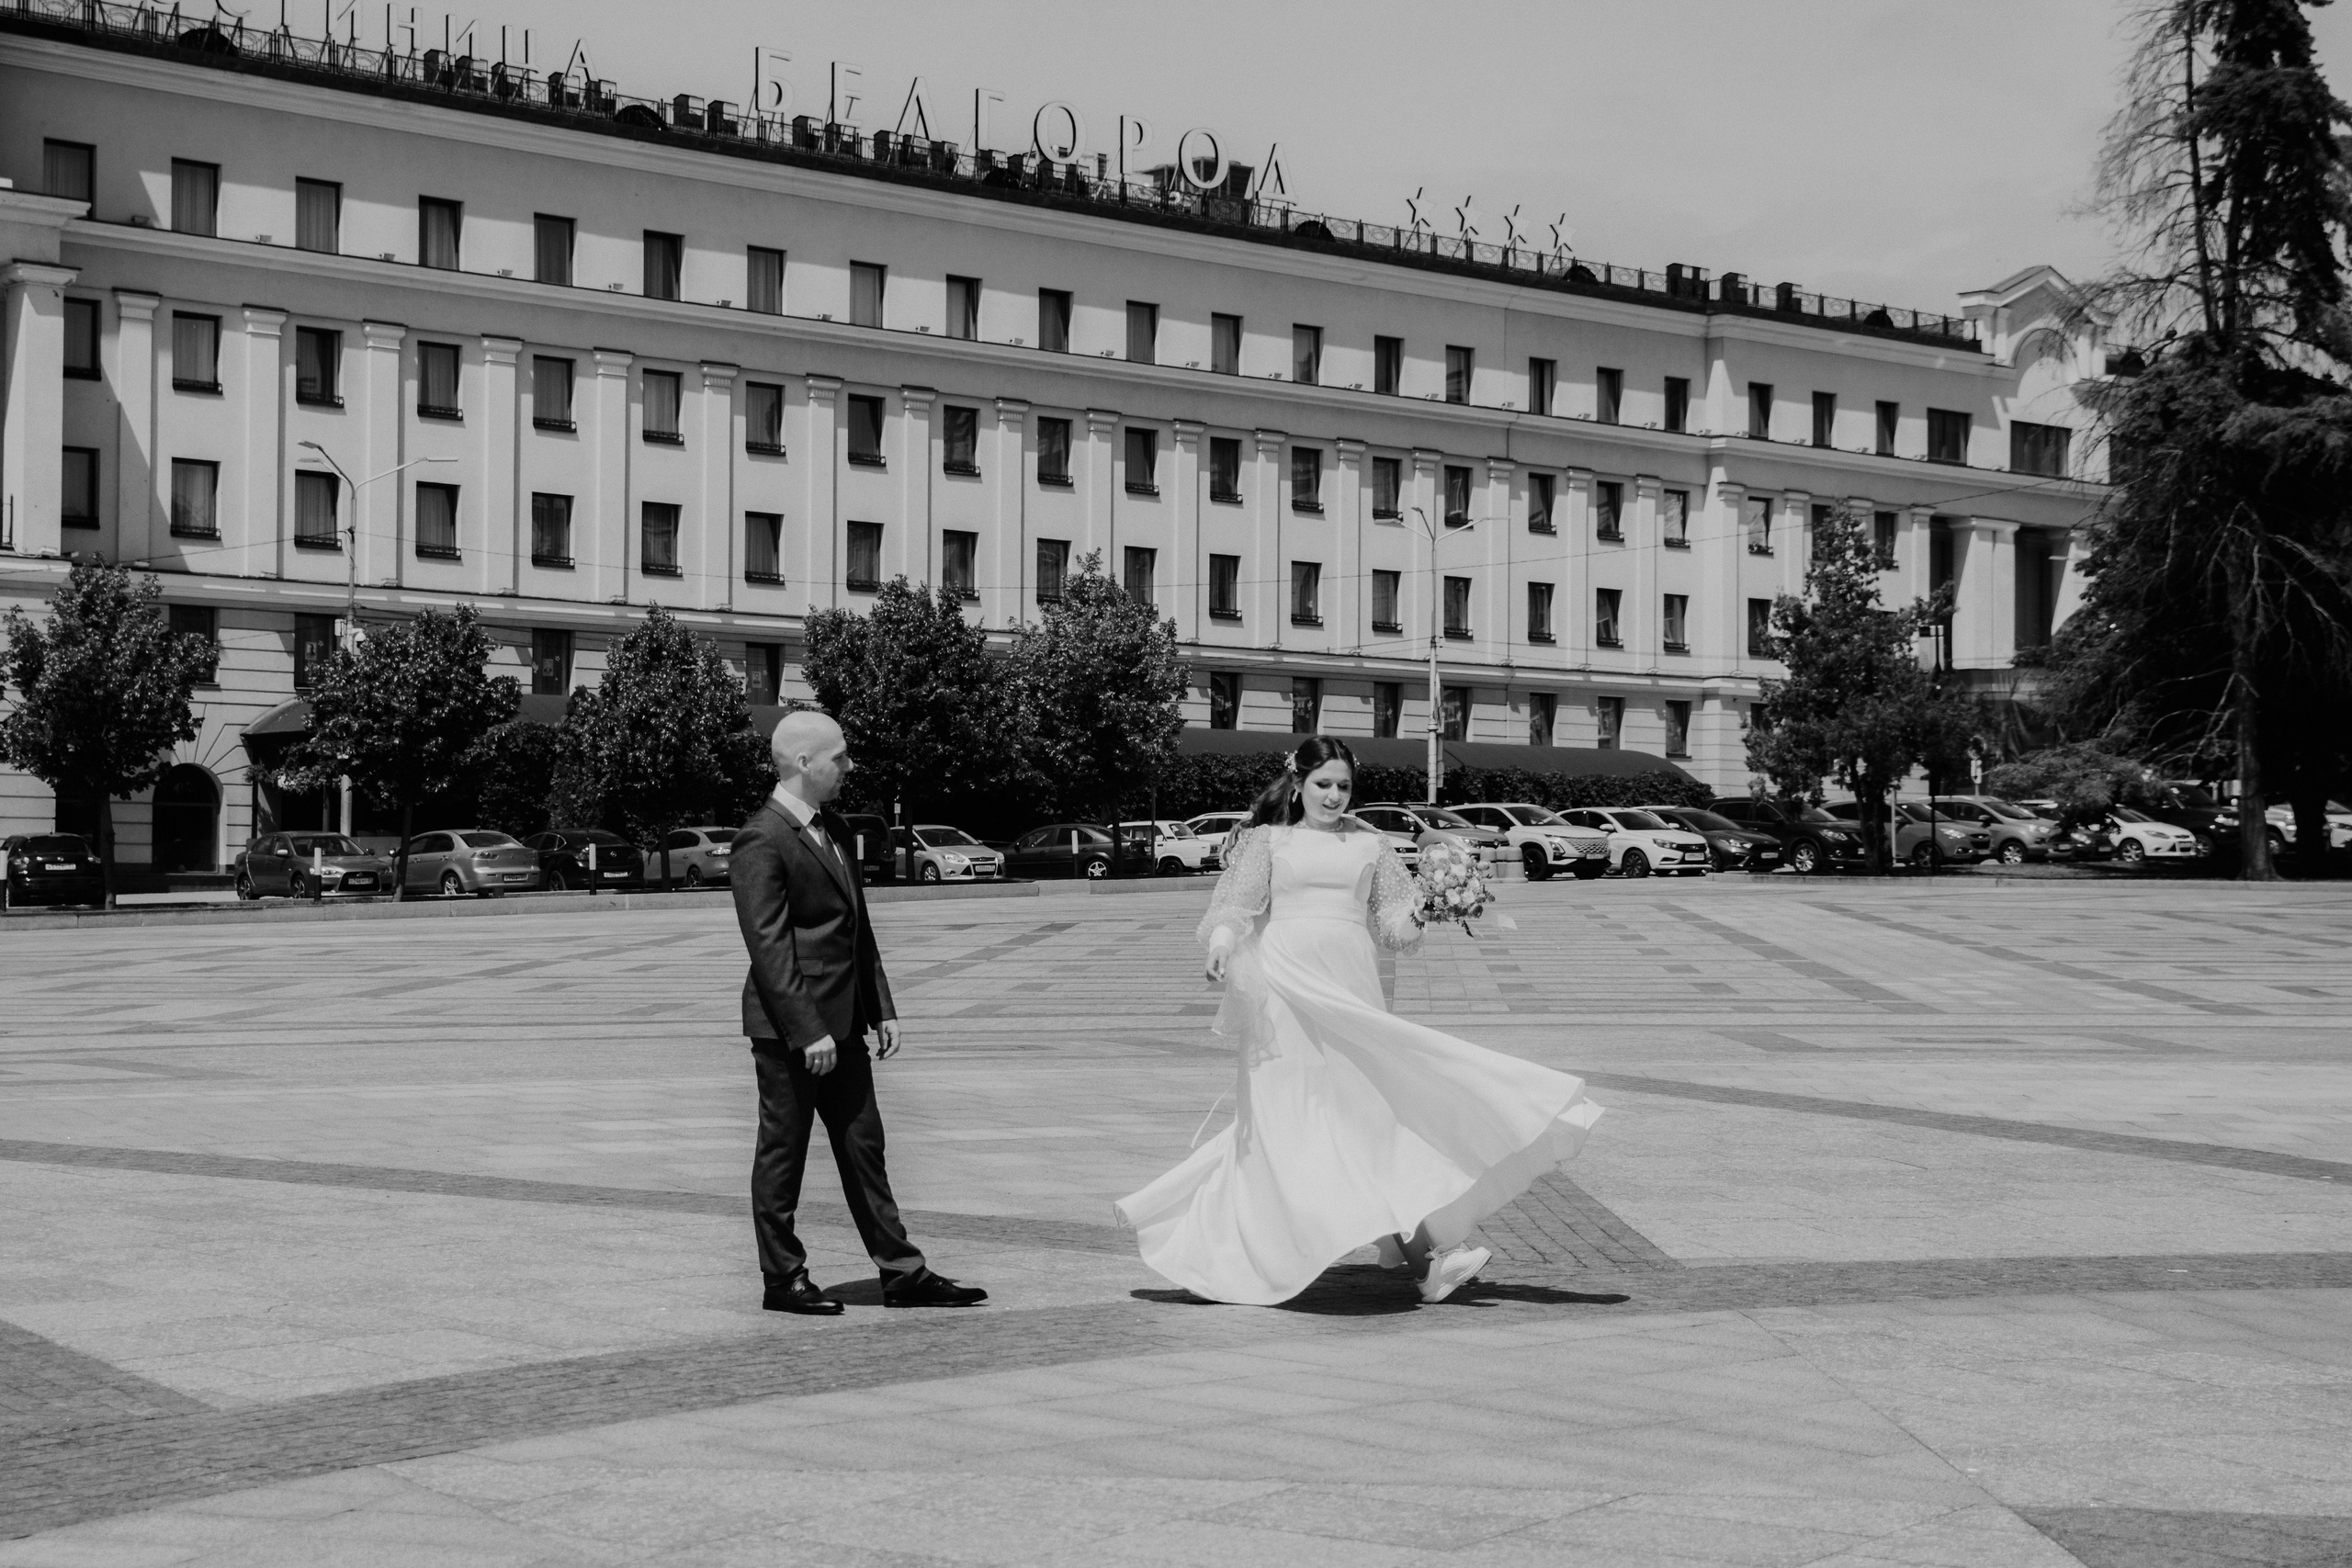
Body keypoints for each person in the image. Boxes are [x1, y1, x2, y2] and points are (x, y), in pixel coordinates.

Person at [1115, 736, 1601, 1306]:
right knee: (1291, 1126)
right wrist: (1221, 944)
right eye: (1324, 784)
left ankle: (1425, 1259)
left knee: (1367, 1120)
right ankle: (1422, 1261)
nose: (1334, 796)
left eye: (1344, 786)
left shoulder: (1372, 847)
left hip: (1350, 992)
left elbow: (1393, 929)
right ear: (1298, 784)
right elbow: (1235, 906)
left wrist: (1424, 908)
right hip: (1285, 997)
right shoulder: (1267, 841)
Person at [730, 709, 986, 1314]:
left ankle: (901, 1270)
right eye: (839, 756)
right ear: (802, 762)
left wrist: (881, 1006)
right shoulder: (760, 839)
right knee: (782, 1153)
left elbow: (857, 930)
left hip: (844, 1025)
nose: (849, 765)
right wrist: (807, 1030)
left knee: (864, 1144)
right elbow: (769, 948)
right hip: (792, 1034)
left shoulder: (836, 829)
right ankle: (783, 1278)